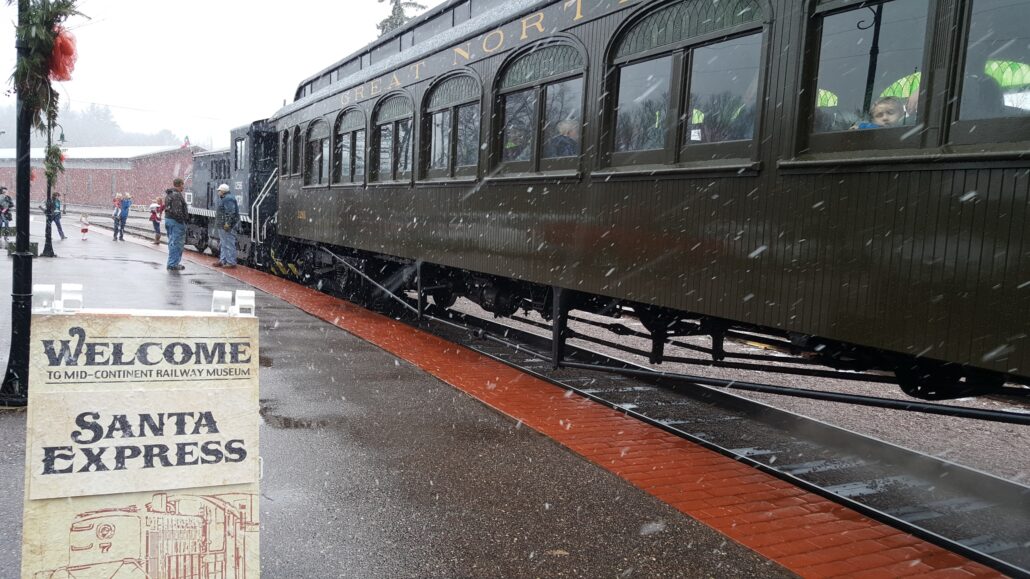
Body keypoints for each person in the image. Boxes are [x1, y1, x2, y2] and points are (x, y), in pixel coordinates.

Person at [212, 183, 239, 269]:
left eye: (219, 191)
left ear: (223, 191)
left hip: (226, 226)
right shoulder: (225, 198)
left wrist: (228, 223)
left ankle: (231, 262)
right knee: (224, 243)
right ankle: (223, 260)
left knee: (228, 243)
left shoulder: (228, 199)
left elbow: (231, 212)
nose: (218, 192)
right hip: (223, 225)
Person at [164, 178, 189, 271]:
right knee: (177, 243)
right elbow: (177, 211)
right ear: (180, 184)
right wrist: (183, 220)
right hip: (176, 222)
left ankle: (172, 263)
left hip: (169, 220)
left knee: (172, 242)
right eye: (183, 184)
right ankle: (173, 264)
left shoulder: (169, 194)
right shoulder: (176, 196)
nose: (183, 186)